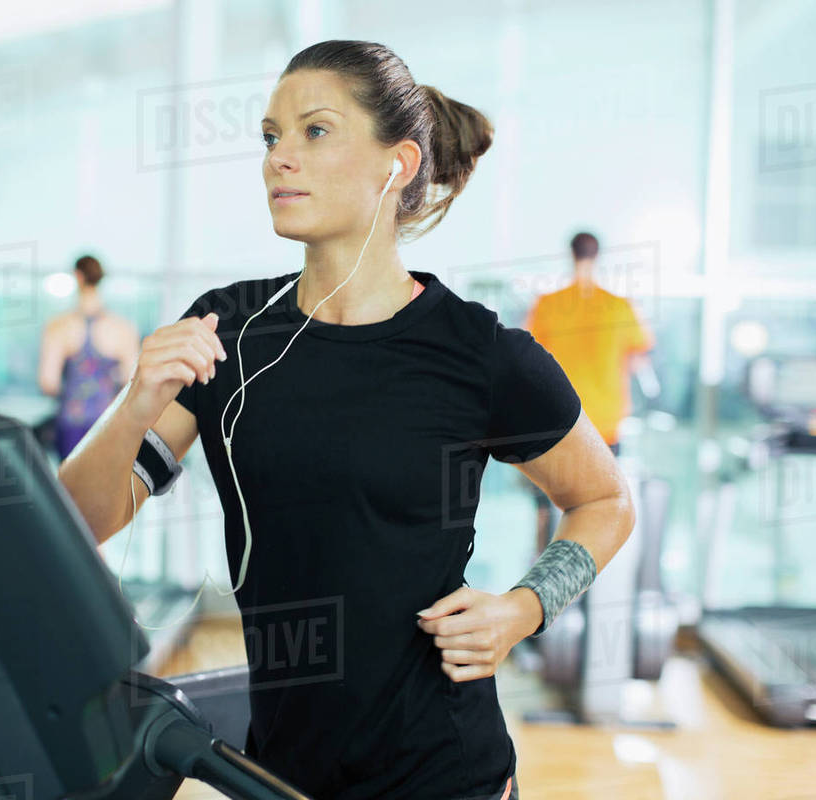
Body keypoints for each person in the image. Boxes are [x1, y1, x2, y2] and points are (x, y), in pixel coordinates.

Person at [58, 41, 636, 800]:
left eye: (314, 132)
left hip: (443, 769)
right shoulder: (226, 328)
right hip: (281, 771)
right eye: (270, 137)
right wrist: (136, 401)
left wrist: (523, 609)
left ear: (395, 164)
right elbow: (79, 520)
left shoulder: (479, 353)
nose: (279, 159)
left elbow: (605, 501)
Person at [522, 232, 655, 556]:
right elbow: (639, 358)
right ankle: (587, 575)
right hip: (605, 423)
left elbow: (530, 359)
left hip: (558, 420)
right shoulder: (619, 306)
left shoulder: (548, 305)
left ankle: (543, 576)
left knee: (548, 502)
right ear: (597, 256)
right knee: (598, 505)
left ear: (571, 254)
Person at [37, 255, 140, 461]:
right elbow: (132, 383)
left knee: (69, 491)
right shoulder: (123, 328)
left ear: (77, 277)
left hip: (71, 425)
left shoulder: (59, 326)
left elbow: (49, 383)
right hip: (109, 425)